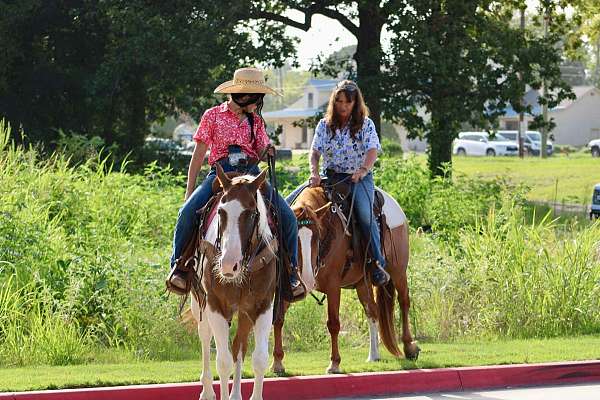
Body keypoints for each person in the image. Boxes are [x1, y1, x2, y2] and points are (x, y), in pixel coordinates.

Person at [166, 67, 305, 300]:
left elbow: (261, 147)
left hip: (251, 176)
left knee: (288, 217)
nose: (259, 102)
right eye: (257, 97)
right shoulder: (212, 116)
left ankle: (291, 274)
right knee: (187, 212)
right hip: (221, 175)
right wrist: (189, 190)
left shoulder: (256, 121)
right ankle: (180, 267)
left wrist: (268, 150)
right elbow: (199, 154)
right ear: (245, 96)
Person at [287, 80, 389, 287]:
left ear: (355, 103)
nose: (343, 106)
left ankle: (376, 263)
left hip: (357, 178)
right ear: (334, 102)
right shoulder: (325, 125)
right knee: (289, 205)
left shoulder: (365, 124)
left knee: (365, 215)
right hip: (329, 177)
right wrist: (314, 173)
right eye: (339, 101)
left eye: (348, 102)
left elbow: (372, 150)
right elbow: (315, 152)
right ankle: (289, 265)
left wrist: (363, 170)